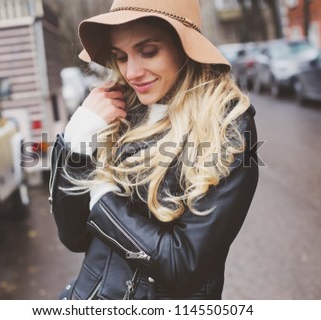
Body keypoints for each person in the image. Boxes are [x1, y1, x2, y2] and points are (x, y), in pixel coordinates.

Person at [49, 0, 258, 300]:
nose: (132, 72)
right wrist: (75, 143)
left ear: (184, 47)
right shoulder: (115, 110)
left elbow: (184, 265)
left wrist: (102, 196)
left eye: (148, 52)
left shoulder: (227, 126)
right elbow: (73, 236)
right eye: (120, 57)